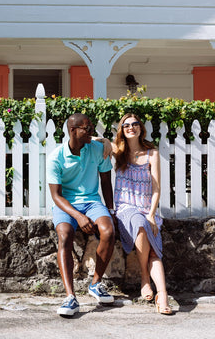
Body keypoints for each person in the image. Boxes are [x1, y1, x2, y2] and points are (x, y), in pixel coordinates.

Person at [46, 113, 116, 316]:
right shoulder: (55, 157)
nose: (92, 131)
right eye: (87, 128)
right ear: (73, 130)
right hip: (66, 205)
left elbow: (105, 182)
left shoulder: (97, 149)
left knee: (109, 231)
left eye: (92, 127)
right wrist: (78, 216)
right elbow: (56, 196)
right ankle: (70, 297)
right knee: (65, 236)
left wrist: (110, 211)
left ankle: (95, 284)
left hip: (92, 201)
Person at [113, 113, 173, 315]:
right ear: (122, 130)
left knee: (154, 248)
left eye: (135, 124)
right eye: (126, 125)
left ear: (141, 128)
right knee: (139, 224)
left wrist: (151, 214)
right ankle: (145, 278)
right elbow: (95, 140)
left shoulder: (152, 153)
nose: (131, 127)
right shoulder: (118, 152)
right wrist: (104, 141)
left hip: (147, 210)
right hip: (125, 208)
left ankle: (162, 295)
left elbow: (156, 188)